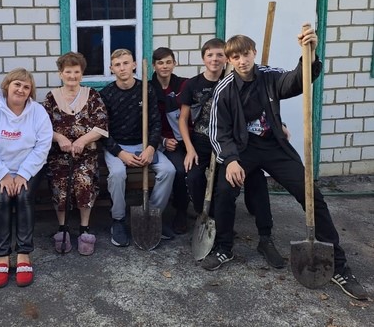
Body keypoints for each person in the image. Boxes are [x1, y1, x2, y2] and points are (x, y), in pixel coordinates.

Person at [207, 26, 367, 300]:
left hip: (274, 145)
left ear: (253, 53)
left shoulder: (269, 76)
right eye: (236, 57)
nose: (242, 61)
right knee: (224, 191)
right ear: (229, 60)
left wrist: (309, 53)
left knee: (311, 195)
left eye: (246, 54)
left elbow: (296, 80)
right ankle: (223, 247)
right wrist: (230, 160)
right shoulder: (225, 89)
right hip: (243, 149)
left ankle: (338, 265)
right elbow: (217, 130)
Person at [180, 38, 282, 269]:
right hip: (202, 142)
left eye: (219, 55)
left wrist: (279, 124)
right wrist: (189, 148)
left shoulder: (236, 81)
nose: (215, 59)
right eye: (210, 55)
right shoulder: (194, 84)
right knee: (195, 178)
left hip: (233, 144)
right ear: (203, 58)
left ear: (226, 58)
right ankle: (209, 218)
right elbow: (184, 119)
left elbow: (263, 106)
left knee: (253, 180)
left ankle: (265, 237)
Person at [0, 68, 52, 288]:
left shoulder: (38, 112)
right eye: (17, 84)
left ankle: (24, 255)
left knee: (24, 196)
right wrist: (3, 175)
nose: (21, 90)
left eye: (26, 87)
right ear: (7, 85)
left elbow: (42, 146)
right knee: (3, 198)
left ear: (30, 92)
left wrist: (24, 173)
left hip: (28, 167)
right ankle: (2, 257)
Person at [99, 49, 176, 247]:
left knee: (168, 170)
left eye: (126, 63)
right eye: (117, 65)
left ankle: (153, 214)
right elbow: (102, 131)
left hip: (143, 143)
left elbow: (155, 123)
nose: (122, 68)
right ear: (111, 69)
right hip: (118, 147)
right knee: (117, 174)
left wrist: (151, 148)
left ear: (134, 65)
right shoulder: (106, 94)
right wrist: (120, 153)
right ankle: (118, 220)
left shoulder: (146, 89)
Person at [43, 52, 109, 256]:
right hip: (59, 155)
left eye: (76, 72)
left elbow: (101, 125)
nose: (72, 76)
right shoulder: (51, 97)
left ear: (82, 74)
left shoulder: (92, 95)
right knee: (59, 185)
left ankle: (84, 229)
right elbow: (42, 127)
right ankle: (62, 228)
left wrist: (82, 141)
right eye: (68, 72)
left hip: (85, 154)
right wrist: (59, 138)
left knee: (84, 181)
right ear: (60, 74)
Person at [150, 47, 190, 234]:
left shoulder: (184, 85)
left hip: (185, 138)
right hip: (160, 141)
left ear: (174, 63)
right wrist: (163, 140)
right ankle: (180, 211)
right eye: (160, 63)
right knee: (179, 170)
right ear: (154, 66)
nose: (164, 66)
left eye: (168, 62)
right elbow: (147, 123)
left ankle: (197, 209)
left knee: (193, 170)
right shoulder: (148, 89)